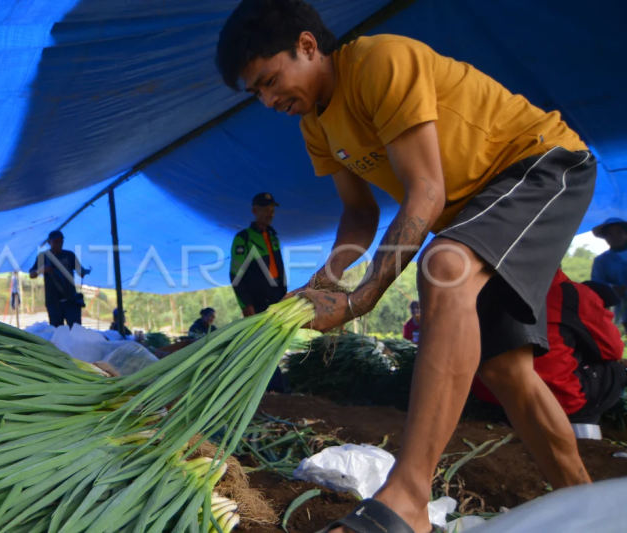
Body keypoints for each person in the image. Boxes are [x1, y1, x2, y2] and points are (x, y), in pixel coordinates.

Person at [217, 2, 596, 531]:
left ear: (307, 46)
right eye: (257, 92)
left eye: (270, 80)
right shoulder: (316, 125)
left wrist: (363, 296)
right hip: (477, 212)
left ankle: (410, 496)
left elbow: (426, 191)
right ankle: (588, 504)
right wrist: (324, 281)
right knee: (505, 370)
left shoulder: (379, 61)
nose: (268, 99)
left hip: (540, 163)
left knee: (445, 262)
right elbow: (359, 212)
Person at [471, 270, 627, 426]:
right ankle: (583, 428)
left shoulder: (481, 287)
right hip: (557, 400)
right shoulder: (570, 293)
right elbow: (613, 350)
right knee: (616, 369)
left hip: (491, 394)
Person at [229, 193, 287, 316]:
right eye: (266, 210)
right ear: (255, 211)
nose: (270, 214)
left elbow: (281, 271)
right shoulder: (243, 238)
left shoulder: (274, 239)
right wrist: (246, 305)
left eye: (272, 210)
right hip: (257, 302)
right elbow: (235, 275)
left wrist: (285, 295)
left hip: (278, 297)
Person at [29, 230, 84, 328]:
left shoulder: (69, 255)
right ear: (49, 242)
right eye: (55, 242)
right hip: (53, 302)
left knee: (76, 330)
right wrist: (41, 270)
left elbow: (80, 271)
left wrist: (83, 272)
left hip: (71, 300)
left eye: (60, 241)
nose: (58, 244)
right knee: (57, 331)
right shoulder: (43, 256)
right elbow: (32, 274)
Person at [591, 217, 627, 332]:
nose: (614, 236)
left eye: (619, 232)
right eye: (609, 234)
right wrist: (613, 288)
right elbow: (597, 285)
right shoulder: (601, 261)